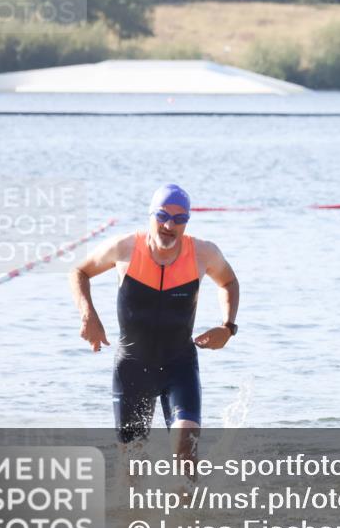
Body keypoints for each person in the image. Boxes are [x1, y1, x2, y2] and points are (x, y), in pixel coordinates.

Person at [69, 184, 239, 465]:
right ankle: (134, 511)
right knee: (132, 466)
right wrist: (88, 315)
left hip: (179, 367)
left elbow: (229, 282)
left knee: (187, 450)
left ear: (187, 221)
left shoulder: (203, 253)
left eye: (179, 219)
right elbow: (79, 271)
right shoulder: (124, 248)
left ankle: (189, 510)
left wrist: (228, 327)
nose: (169, 225)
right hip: (133, 369)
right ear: (150, 215)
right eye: (162, 216)